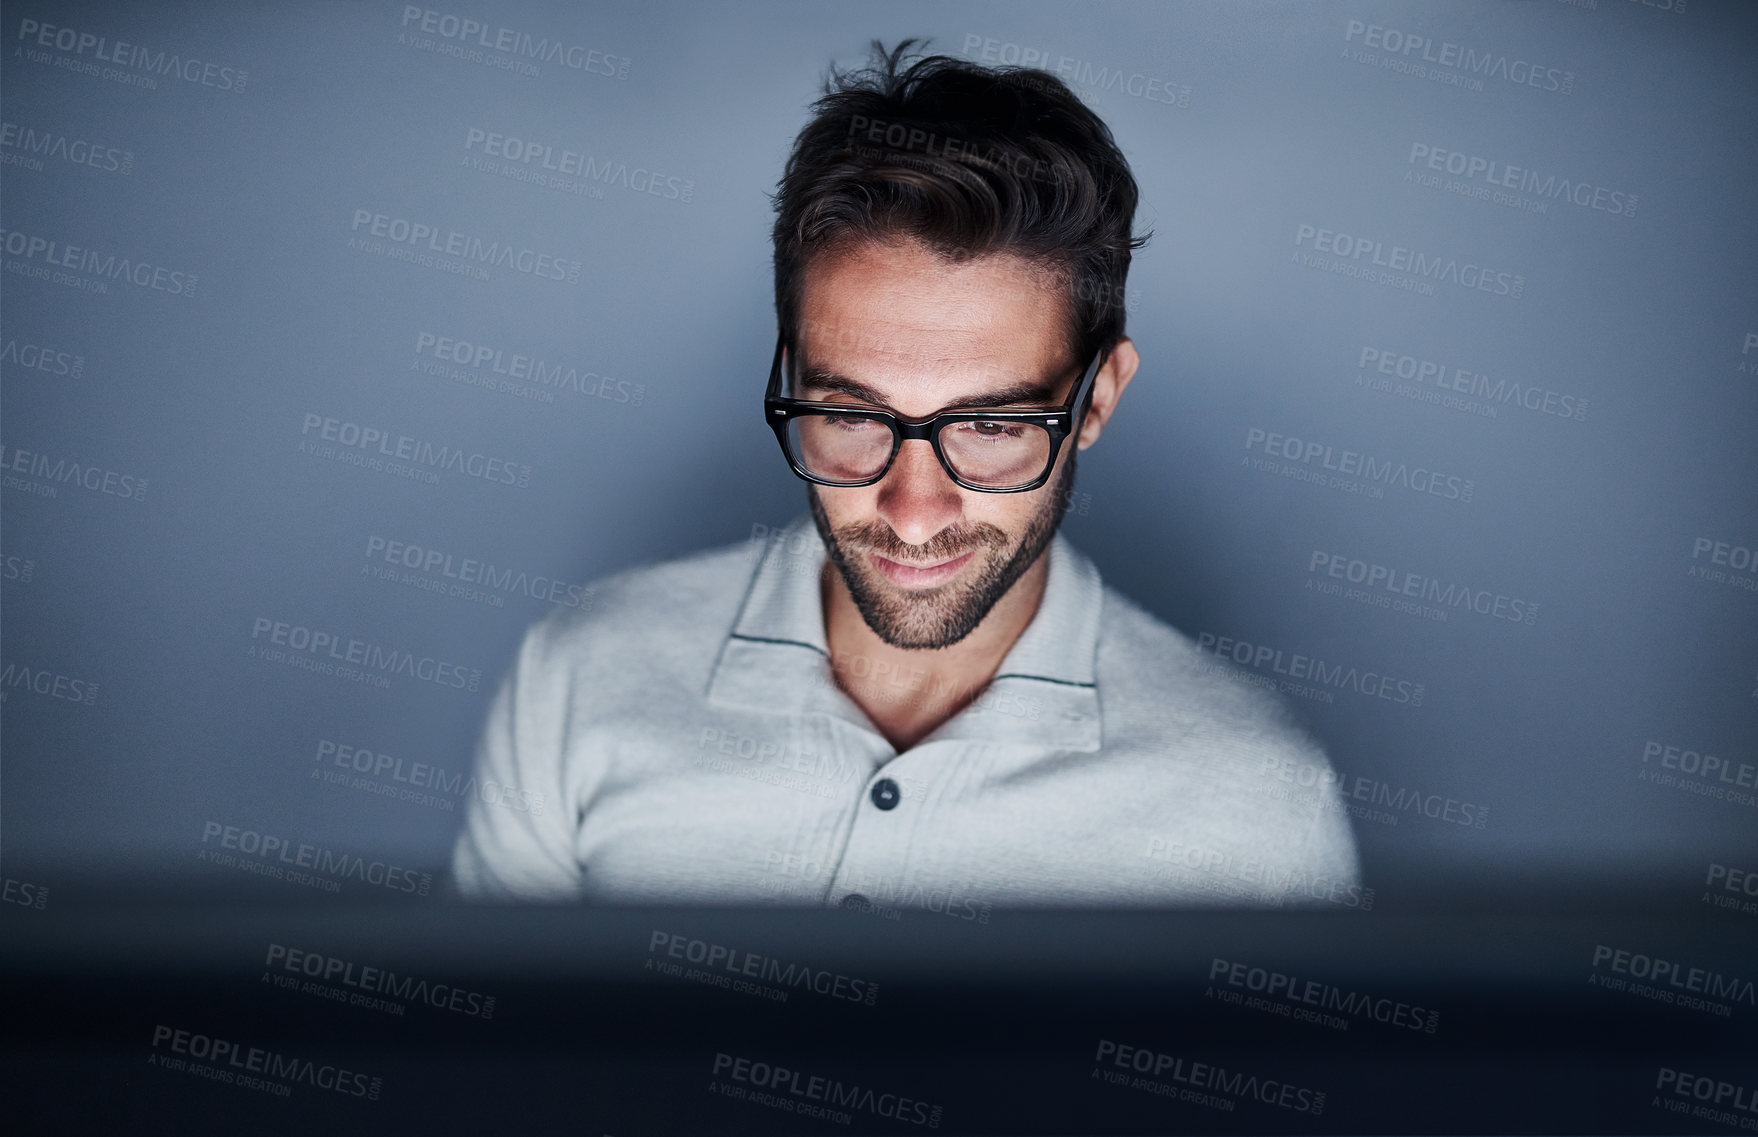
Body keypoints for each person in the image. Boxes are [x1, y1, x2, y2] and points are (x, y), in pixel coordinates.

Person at [450, 40, 1360, 912]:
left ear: (1096, 400)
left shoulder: (1255, 801)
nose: (915, 513)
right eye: (851, 415)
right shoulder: (579, 678)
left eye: (993, 424)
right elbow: (485, 1069)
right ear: (791, 378)